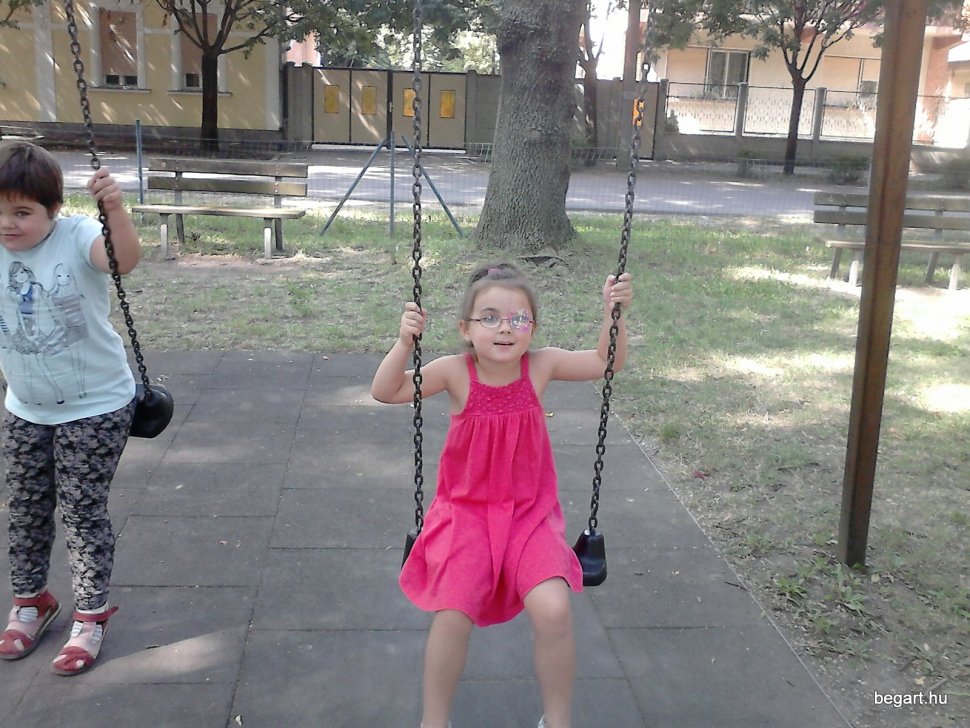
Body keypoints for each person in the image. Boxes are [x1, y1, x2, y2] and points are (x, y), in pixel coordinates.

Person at [371, 262, 633, 728]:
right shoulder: (454, 372)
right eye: (489, 318)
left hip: (529, 518)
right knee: (453, 612)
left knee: (554, 609)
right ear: (466, 329)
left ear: (533, 327)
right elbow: (386, 391)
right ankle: (434, 722)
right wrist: (404, 343)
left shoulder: (541, 366)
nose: (505, 328)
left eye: (519, 318)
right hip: (464, 516)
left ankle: (558, 721)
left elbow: (605, 362)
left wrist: (615, 314)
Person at [0, 140, 141, 675]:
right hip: (26, 406)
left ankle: (90, 614)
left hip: (96, 404)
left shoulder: (78, 234)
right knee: (26, 509)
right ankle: (30, 601)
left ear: (53, 209)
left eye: (22, 212)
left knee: (82, 511)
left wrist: (115, 209)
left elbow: (123, 261)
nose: (8, 224)